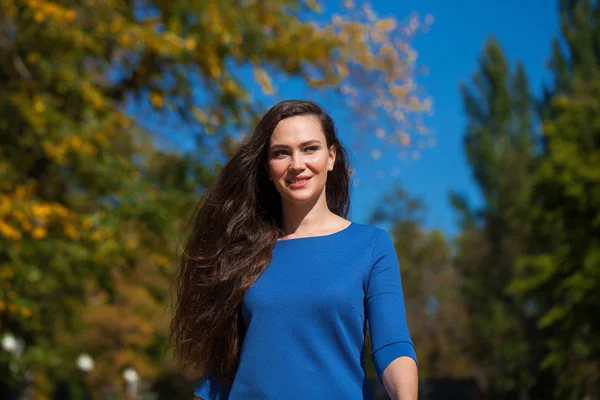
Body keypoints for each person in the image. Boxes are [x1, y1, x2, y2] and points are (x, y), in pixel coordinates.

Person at [169, 100, 418, 399]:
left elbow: (391, 346)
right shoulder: (242, 253)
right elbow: (220, 371)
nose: (296, 164)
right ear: (267, 167)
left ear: (331, 157)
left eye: (309, 148)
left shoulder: (371, 245)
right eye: (281, 153)